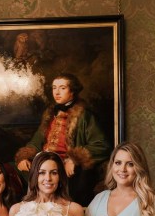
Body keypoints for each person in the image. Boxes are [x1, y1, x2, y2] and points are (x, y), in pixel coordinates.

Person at [14, 73, 110, 206]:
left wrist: (74, 158)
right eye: (54, 88)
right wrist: (25, 156)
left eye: (62, 88)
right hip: (44, 161)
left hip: (65, 167)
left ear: (72, 92)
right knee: (13, 169)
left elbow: (102, 145)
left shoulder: (85, 116)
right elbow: (36, 141)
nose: (57, 92)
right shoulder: (50, 114)